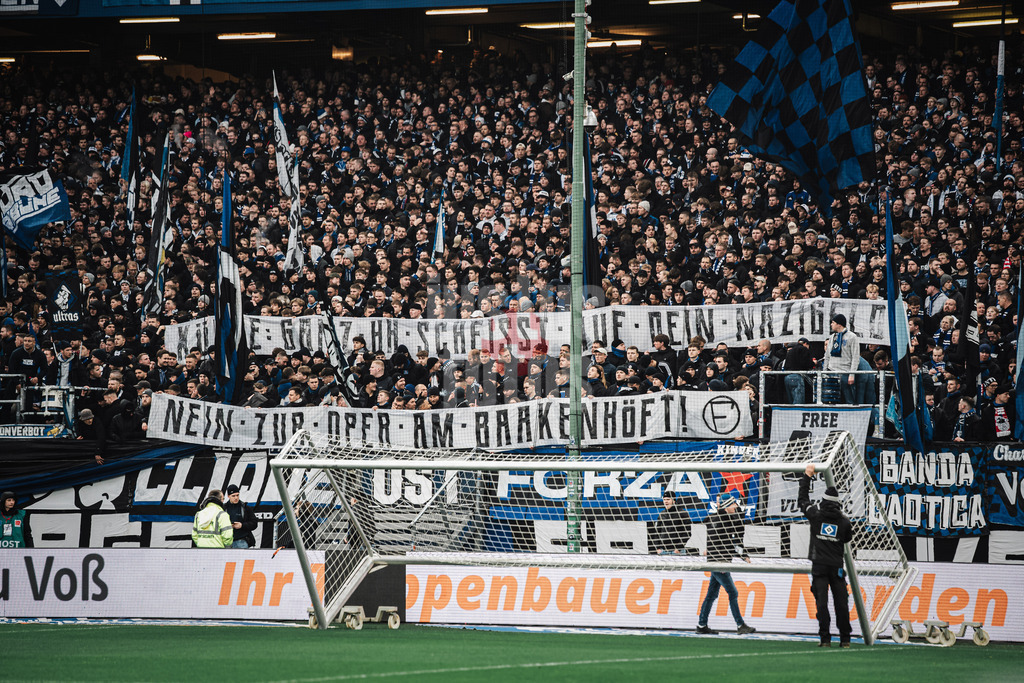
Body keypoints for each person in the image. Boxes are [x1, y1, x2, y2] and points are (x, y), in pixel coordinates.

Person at [799, 464, 854, 648]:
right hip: (837, 568)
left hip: (819, 567)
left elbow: (802, 500)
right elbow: (847, 539)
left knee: (821, 603)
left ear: (823, 501)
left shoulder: (816, 515)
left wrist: (807, 476)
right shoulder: (844, 522)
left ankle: (825, 639)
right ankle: (845, 639)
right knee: (841, 604)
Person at [696, 491, 756, 635]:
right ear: (727, 505)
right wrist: (743, 555)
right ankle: (740, 624)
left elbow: (725, 541)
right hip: (720, 562)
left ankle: (702, 625)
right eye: (733, 504)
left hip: (715, 561)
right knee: (732, 592)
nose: (736, 506)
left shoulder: (713, 519)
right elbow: (731, 543)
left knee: (711, 594)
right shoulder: (727, 521)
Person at [824, 314, 860, 404]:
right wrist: (824, 372)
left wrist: (852, 374)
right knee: (831, 401)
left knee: (848, 401)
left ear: (839, 324)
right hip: (831, 373)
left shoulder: (852, 337)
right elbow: (827, 355)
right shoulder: (832, 337)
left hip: (845, 373)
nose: (831, 325)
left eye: (833, 322)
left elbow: (855, 357)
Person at [222, 484, 258, 549]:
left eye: (237, 495)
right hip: (226, 541)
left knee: (242, 559)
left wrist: (242, 525)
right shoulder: (223, 508)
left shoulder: (245, 507)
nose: (236, 498)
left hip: (242, 540)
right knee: (227, 559)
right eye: (233, 496)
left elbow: (254, 523)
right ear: (228, 496)